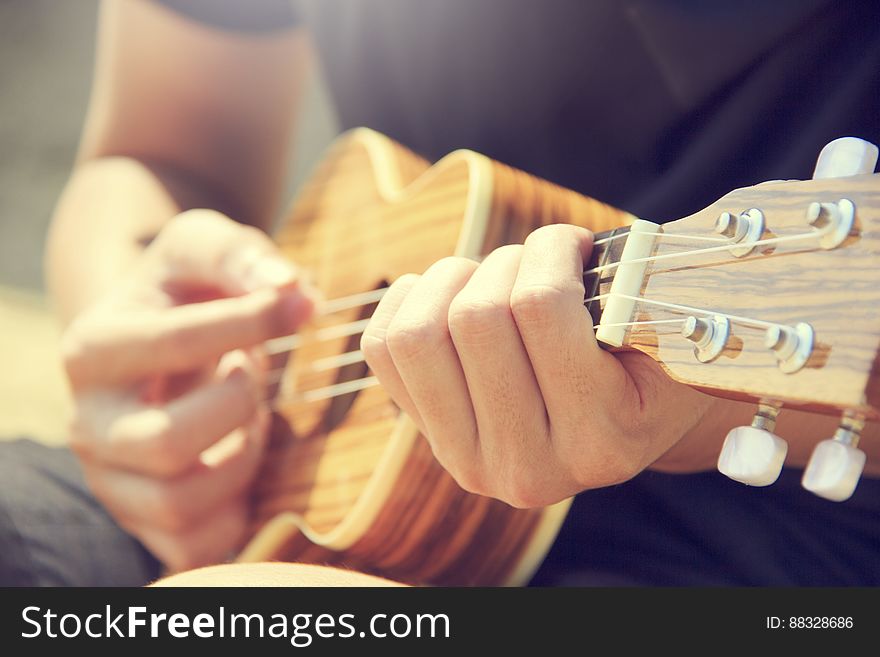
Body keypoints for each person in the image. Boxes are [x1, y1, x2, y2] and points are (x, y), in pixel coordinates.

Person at [2, 0, 878, 586]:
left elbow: (844, 302)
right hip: (279, 484)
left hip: (778, 554)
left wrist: (685, 404)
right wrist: (141, 364)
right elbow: (162, 151)